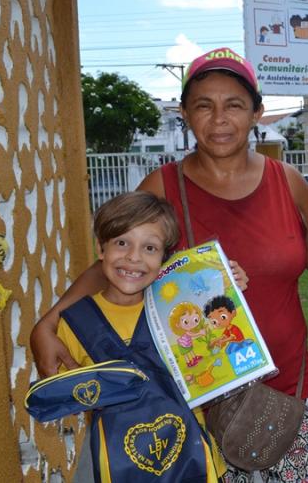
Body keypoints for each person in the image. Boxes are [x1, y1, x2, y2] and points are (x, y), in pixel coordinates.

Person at [30, 46, 308, 483]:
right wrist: (48, 322)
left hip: (288, 390)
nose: (219, 118)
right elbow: (118, 262)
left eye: (234, 105)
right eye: (203, 106)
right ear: (185, 114)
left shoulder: (290, 183)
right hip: (192, 399)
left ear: (257, 113)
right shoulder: (163, 185)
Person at [54, 190, 218, 481]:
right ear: (101, 249)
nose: (133, 257)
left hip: (193, 461)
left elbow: (219, 351)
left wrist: (226, 286)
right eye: (121, 243)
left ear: (164, 258)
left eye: (150, 248)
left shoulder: (181, 310)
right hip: (120, 468)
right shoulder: (75, 325)